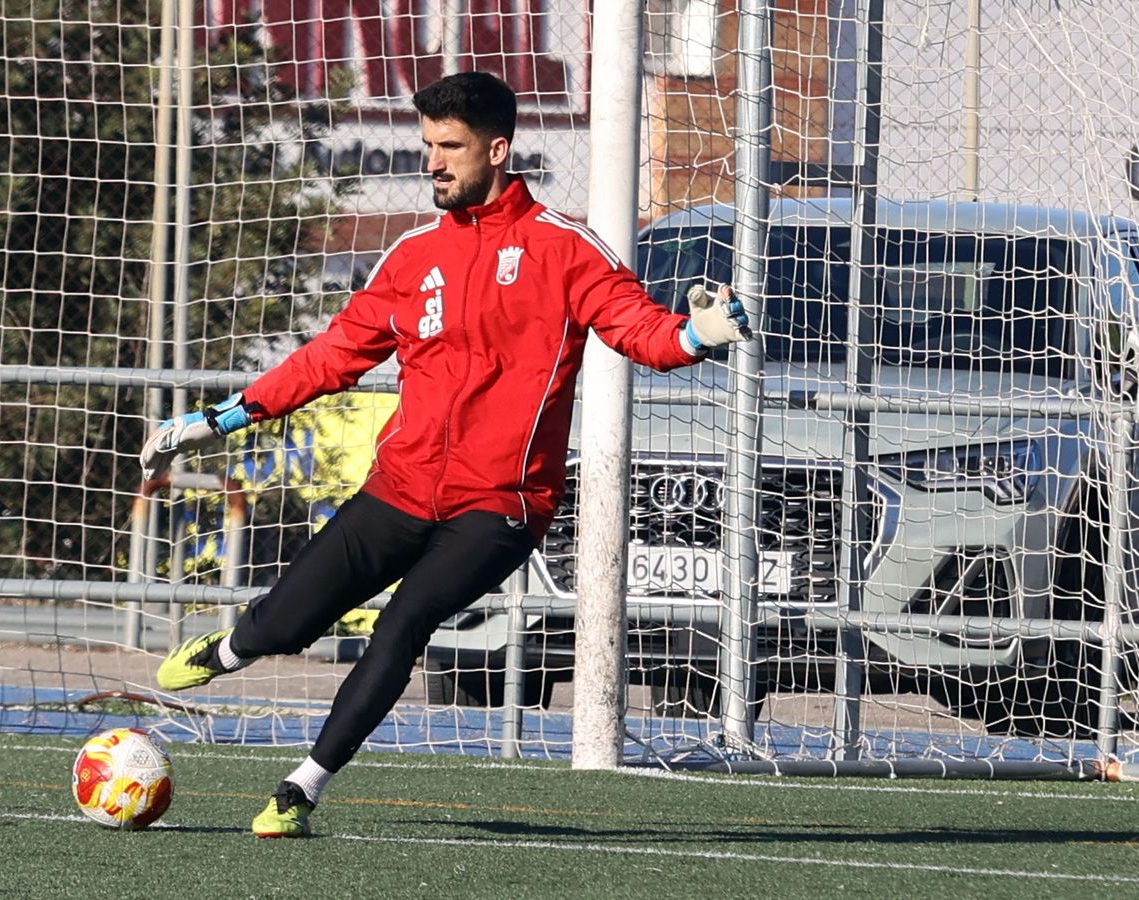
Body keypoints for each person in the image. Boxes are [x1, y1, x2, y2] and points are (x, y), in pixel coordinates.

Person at [139, 71, 750, 838]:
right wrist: (220, 421)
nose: (432, 161)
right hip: (400, 487)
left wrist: (696, 336)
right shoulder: (412, 255)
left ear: (497, 150)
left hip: (499, 504)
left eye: (449, 147)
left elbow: (639, 330)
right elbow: (331, 356)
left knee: (404, 624)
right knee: (281, 627)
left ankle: (300, 789)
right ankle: (232, 647)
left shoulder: (564, 248)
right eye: (427, 144)